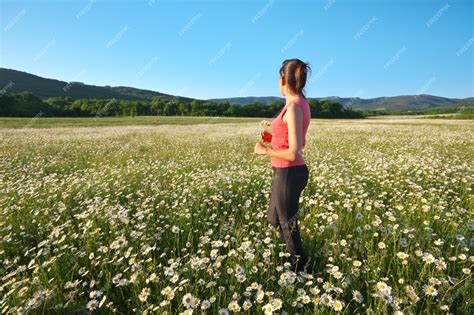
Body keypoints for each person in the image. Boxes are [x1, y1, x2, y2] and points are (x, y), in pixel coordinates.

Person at [254, 58, 312, 273]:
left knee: (288, 225)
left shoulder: (294, 107)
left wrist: (265, 150)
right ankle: (291, 258)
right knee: (274, 217)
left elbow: (292, 152)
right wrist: (273, 135)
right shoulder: (296, 104)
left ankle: (301, 268)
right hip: (283, 171)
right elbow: (288, 136)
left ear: (282, 80)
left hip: (290, 172)